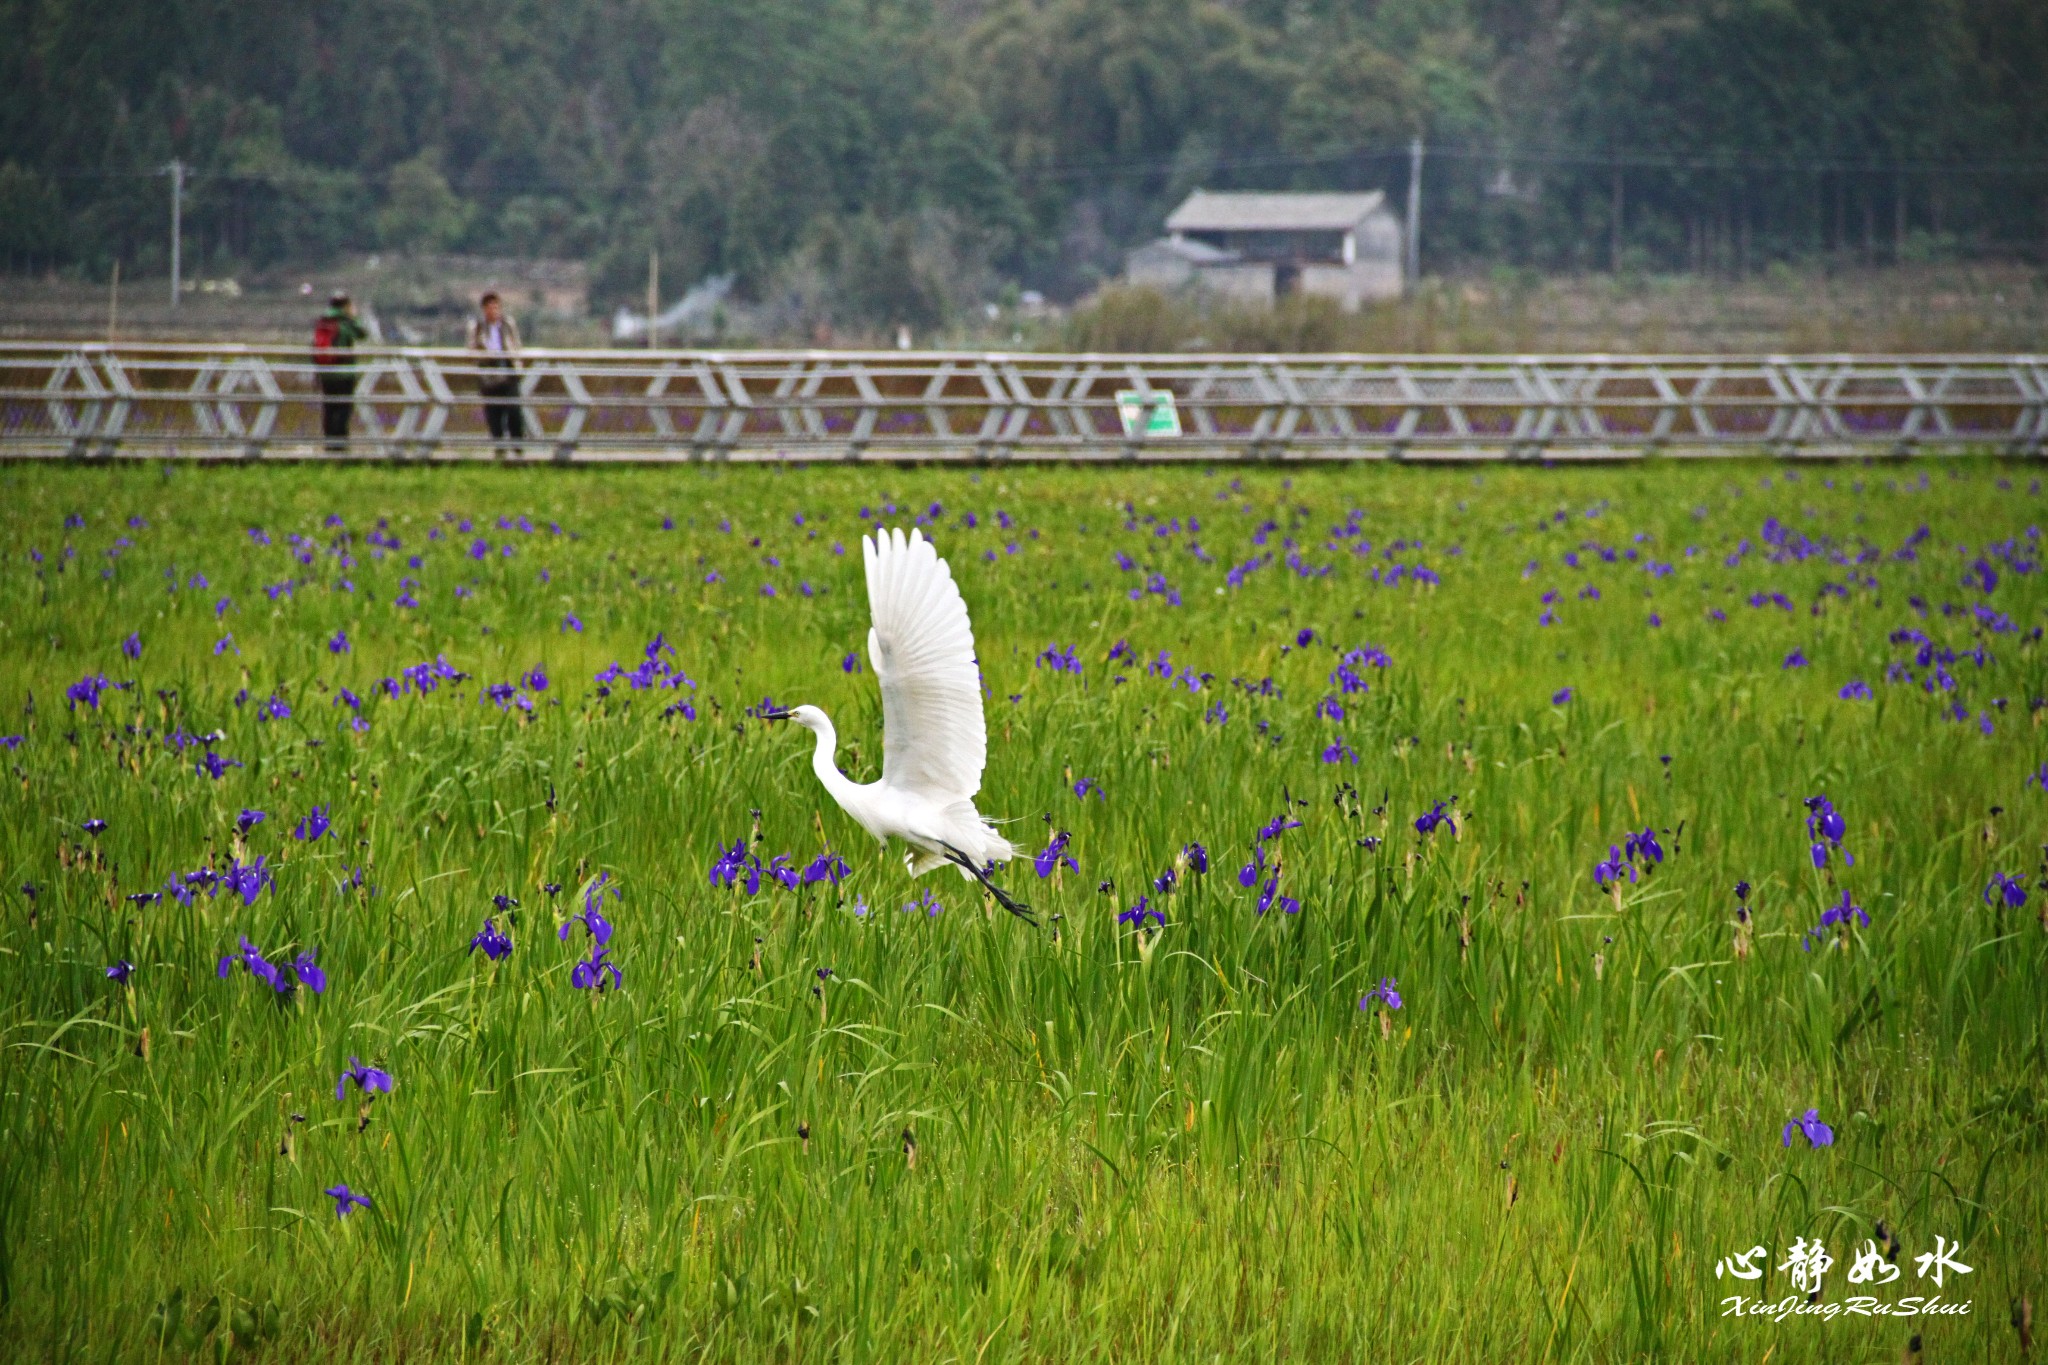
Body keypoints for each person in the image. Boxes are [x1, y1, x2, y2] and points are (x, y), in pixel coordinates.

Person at [311, 292, 369, 449]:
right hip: (344, 373)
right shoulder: (346, 322)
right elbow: (362, 334)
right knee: (343, 408)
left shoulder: (323, 320)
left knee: (329, 407)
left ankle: (329, 443)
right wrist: (354, 317)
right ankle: (340, 445)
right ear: (346, 306)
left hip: (326, 373)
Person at [467, 292, 525, 446]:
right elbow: (472, 350)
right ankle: (499, 447)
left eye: (496, 307)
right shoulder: (477, 327)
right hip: (488, 374)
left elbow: (516, 345)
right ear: (484, 309)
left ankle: (517, 446)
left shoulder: (508, 324)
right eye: (490, 307)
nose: (493, 311)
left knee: (514, 410)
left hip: (508, 370)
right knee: (494, 412)